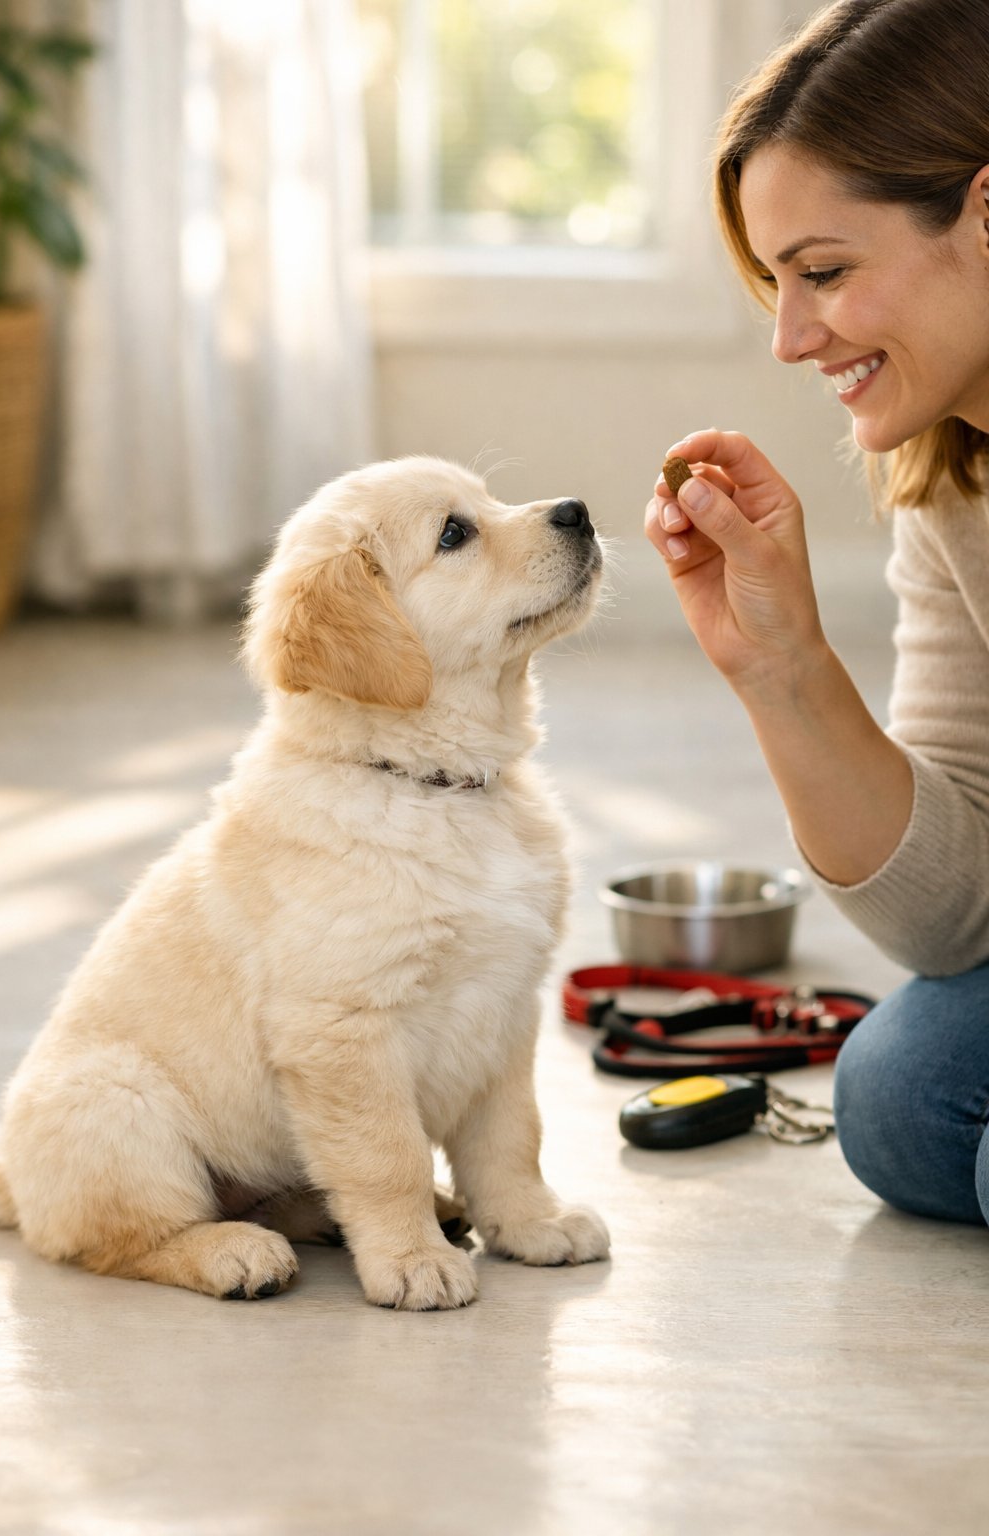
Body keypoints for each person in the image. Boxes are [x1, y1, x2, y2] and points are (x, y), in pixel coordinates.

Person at [643, 0, 989, 1225]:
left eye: (825, 273)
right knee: (898, 1101)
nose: (791, 339)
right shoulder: (955, 483)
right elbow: (955, 922)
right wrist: (779, 665)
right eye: (775, 285)